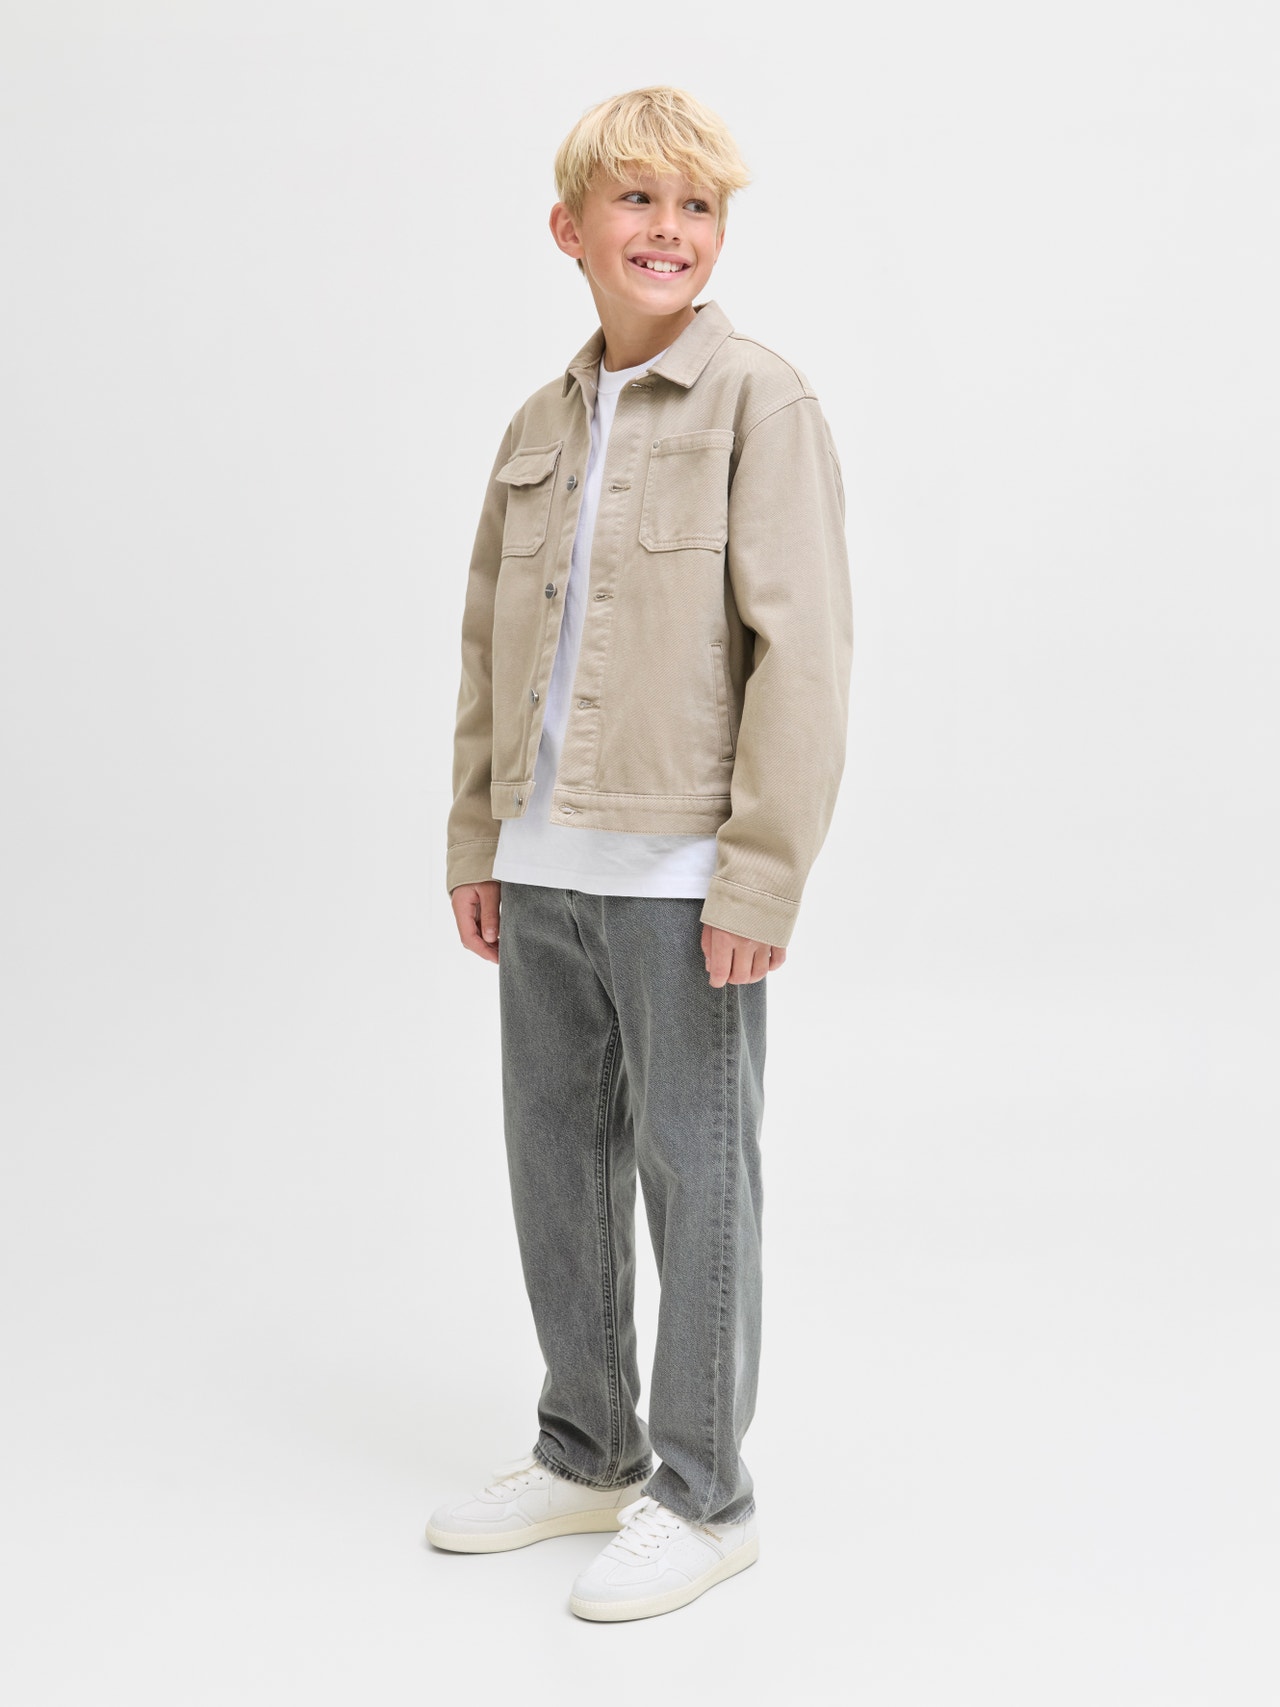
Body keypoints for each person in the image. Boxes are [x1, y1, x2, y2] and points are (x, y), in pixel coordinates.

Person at [428, 84, 853, 1623]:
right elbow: (488, 644)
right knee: (556, 1161)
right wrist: (478, 835)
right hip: (543, 864)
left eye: (698, 206)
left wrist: (761, 873)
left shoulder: (760, 404)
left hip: (681, 877)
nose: (669, 230)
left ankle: (704, 1493)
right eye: (637, 201)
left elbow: (804, 657)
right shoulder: (539, 425)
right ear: (571, 228)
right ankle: (587, 1447)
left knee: (696, 1175)